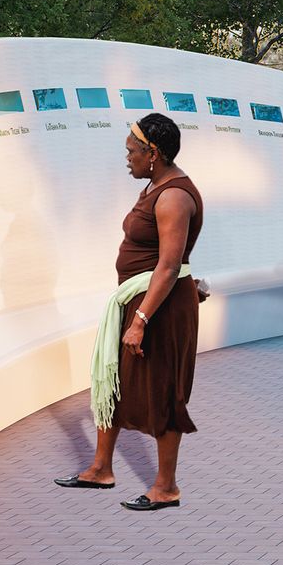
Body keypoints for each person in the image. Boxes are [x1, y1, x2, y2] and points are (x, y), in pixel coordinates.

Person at [55, 113, 203, 512]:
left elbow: (169, 265)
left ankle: (166, 487)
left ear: (153, 153)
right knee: (113, 379)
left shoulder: (173, 196)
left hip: (159, 310)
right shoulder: (157, 186)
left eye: (132, 151)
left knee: (164, 391)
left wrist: (141, 321)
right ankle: (101, 469)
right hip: (141, 299)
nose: (127, 157)